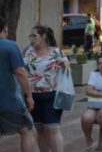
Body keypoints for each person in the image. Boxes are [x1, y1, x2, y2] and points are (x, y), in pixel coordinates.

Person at [24, 25, 70, 152]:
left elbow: (67, 68)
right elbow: (22, 70)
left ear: (43, 36)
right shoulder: (28, 52)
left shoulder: (55, 52)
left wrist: (63, 63)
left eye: (34, 36)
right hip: (33, 96)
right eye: (30, 36)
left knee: (52, 128)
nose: (31, 39)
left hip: (52, 95)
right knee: (39, 129)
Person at [0, 17, 39, 152]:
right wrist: (29, 96)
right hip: (9, 100)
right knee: (27, 130)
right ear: (5, 29)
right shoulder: (10, 46)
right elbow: (21, 73)